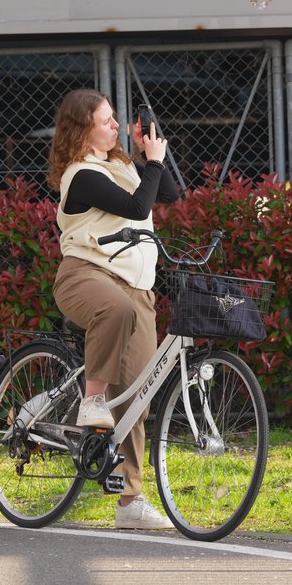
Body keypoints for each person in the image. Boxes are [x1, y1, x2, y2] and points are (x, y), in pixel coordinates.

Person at [47, 88, 179, 530]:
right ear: (83, 129)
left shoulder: (122, 166)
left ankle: (129, 502)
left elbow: (170, 195)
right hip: (87, 275)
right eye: (106, 121)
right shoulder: (81, 175)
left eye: (117, 119)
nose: (117, 127)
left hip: (138, 287)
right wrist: (153, 165)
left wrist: (148, 152)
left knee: (138, 395)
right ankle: (92, 401)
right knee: (116, 311)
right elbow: (137, 205)